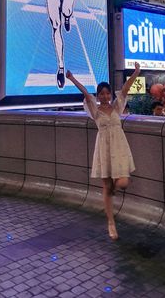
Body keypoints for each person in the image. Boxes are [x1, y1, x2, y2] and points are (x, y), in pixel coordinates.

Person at [66, 62, 141, 240]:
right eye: (102, 94)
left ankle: (113, 191)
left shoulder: (117, 106)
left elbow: (125, 88)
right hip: (103, 148)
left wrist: (136, 72)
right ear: (98, 96)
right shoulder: (94, 109)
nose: (105, 96)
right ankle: (110, 222)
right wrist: (72, 78)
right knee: (106, 185)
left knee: (122, 182)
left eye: (107, 93)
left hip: (119, 146)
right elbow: (85, 92)